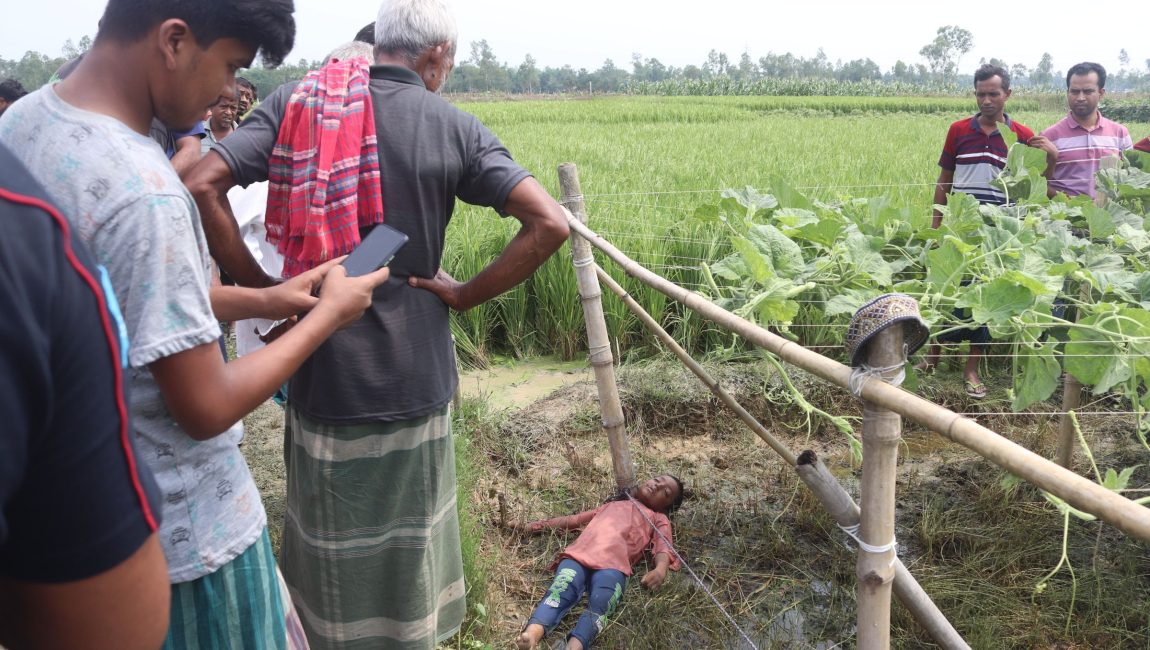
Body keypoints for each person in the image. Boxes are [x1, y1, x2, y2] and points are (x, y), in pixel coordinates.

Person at [0, 1, 391, 648]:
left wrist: (268, 298)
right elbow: (205, 405)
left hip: (61, 528)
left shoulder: (25, 126)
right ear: (175, 41)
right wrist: (327, 316)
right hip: (187, 541)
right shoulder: (146, 191)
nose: (229, 92)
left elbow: (122, 296)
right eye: (231, 65)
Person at [186, 0, 571, 646]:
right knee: (411, 556)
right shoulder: (453, 126)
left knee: (329, 559)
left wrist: (266, 290)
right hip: (416, 380)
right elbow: (551, 224)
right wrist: (465, 294)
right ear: (436, 58)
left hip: (324, 377)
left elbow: (202, 184)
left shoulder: (299, 105)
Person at [0, 142, 170, 650]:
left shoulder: (24, 137)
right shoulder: (25, 229)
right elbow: (111, 628)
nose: (227, 100)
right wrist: (325, 319)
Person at [922, 63, 1035, 399]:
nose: (986, 100)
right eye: (981, 94)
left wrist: (1052, 156)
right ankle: (933, 358)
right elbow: (945, 179)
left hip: (996, 233)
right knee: (947, 288)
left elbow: (1032, 183)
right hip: (960, 224)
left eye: (993, 94)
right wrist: (936, 226)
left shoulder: (1021, 136)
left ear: (1007, 94)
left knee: (987, 298)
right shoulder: (958, 130)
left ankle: (971, 369)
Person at [511, 475, 686, 650]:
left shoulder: (657, 518)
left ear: (666, 508)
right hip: (579, 556)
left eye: (665, 492)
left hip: (614, 568)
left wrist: (660, 569)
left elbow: (664, 544)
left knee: (602, 604)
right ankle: (532, 634)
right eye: (657, 480)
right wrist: (532, 526)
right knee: (560, 590)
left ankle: (575, 646)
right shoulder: (613, 505)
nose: (656, 486)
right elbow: (573, 520)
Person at [1031, 62, 1133, 199]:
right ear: (1067, 93)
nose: (1080, 98)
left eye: (1088, 91)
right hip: (1062, 211)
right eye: (1074, 91)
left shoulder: (1120, 134)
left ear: (1101, 93)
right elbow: (1037, 184)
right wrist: (1071, 203)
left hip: (1108, 212)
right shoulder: (1049, 136)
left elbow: (1131, 179)